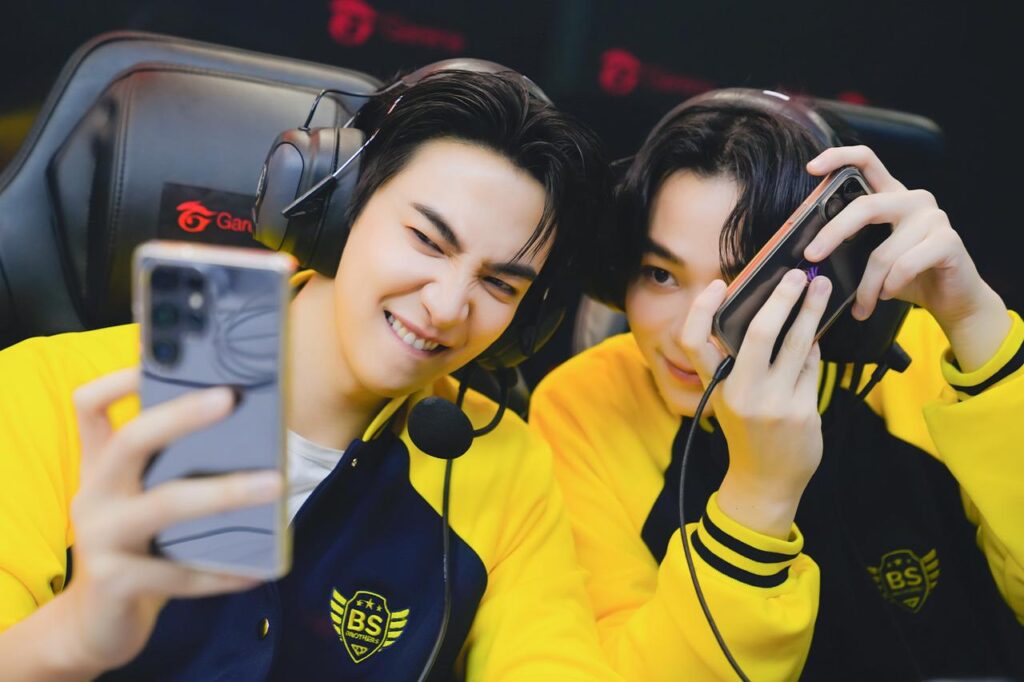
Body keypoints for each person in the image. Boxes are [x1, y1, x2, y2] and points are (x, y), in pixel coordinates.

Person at [0, 68, 622, 681]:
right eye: (428, 241)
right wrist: (76, 634)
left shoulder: (507, 467)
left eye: (499, 284)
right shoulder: (51, 391)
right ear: (341, 207)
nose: (447, 307)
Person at [530, 93, 1024, 680]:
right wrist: (757, 497)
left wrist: (975, 326)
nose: (691, 334)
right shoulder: (586, 404)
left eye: (744, 286)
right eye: (660, 275)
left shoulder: (926, 354)